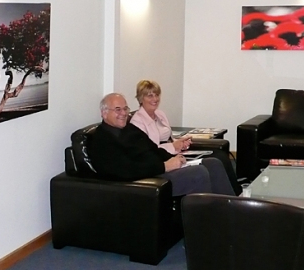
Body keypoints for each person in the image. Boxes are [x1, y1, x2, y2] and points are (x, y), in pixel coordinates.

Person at [87, 93, 236, 197]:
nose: (123, 113)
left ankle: (234, 209)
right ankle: (206, 230)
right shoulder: (101, 140)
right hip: (147, 180)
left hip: (159, 168)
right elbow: (125, 170)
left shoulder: (129, 129)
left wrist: (174, 157)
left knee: (213, 163)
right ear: (104, 113)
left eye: (125, 108)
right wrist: (165, 166)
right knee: (199, 173)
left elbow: (153, 149)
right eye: (117, 109)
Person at [130, 80, 242, 195]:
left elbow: (169, 137)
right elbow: (151, 150)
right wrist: (173, 147)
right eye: (150, 96)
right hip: (164, 159)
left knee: (218, 159)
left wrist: (179, 143)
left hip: (174, 151)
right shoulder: (137, 122)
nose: (155, 99)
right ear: (141, 98)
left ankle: (234, 199)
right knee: (207, 166)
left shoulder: (160, 114)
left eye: (157, 95)